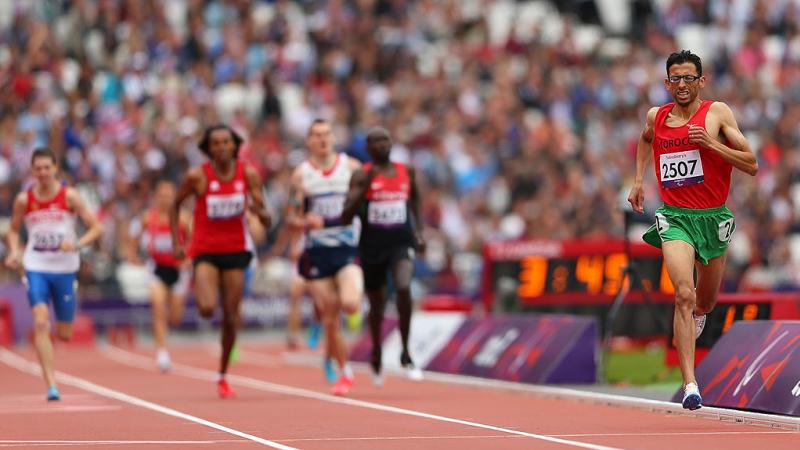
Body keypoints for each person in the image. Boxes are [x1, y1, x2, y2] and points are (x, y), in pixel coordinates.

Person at [627, 50, 758, 410]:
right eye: (675, 79)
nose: (682, 85)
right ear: (667, 82)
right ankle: (690, 384)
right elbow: (645, 138)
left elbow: (751, 163)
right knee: (683, 293)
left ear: (701, 81)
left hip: (712, 219)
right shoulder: (658, 115)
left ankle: (697, 314)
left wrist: (711, 144)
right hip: (675, 218)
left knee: (706, 300)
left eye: (689, 78)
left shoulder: (717, 114)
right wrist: (639, 181)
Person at [172, 124, 271, 399]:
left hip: (235, 250)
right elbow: (175, 204)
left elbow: (267, 218)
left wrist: (258, 211)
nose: (221, 147)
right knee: (205, 308)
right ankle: (209, 287)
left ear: (234, 145)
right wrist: (176, 242)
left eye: (226, 142)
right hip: (205, 249)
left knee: (230, 316)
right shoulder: (197, 176)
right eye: (215, 143)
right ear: (208, 148)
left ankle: (223, 375)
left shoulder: (247, 173)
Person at [4, 148, 104, 401]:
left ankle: (54, 361)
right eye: (38, 168)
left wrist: (78, 244)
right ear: (32, 171)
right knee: (40, 321)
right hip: (36, 266)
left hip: (65, 269)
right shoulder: (24, 200)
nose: (43, 173)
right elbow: (13, 231)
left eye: (47, 167)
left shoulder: (69, 196)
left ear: (55, 169)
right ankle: (51, 384)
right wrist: (15, 251)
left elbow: (96, 228)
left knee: (64, 333)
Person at [341, 127, 426, 386]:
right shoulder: (361, 174)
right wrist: (364, 188)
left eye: (385, 139)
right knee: (376, 304)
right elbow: (345, 215)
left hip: (400, 243)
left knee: (403, 286)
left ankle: (406, 351)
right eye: (376, 141)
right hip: (372, 247)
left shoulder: (405, 172)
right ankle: (377, 349)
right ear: (368, 149)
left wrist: (419, 232)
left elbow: (416, 203)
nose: (382, 145)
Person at [287, 118, 363, 396]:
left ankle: (356, 302)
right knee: (331, 317)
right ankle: (344, 372)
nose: (322, 139)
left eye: (326, 134)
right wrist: (303, 221)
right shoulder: (301, 175)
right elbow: (291, 216)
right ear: (309, 141)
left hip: (346, 250)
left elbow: (363, 204)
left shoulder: (351, 167)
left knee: (351, 304)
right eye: (316, 135)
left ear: (333, 137)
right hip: (317, 253)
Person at [126, 180, 192, 372]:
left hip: (179, 271)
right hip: (157, 268)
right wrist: (133, 255)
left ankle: (165, 334)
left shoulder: (184, 218)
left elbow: (196, 241)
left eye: (169, 195)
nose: (165, 199)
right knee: (158, 308)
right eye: (162, 195)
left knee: (175, 317)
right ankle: (162, 352)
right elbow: (133, 238)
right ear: (156, 197)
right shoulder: (148, 217)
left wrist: (189, 259)